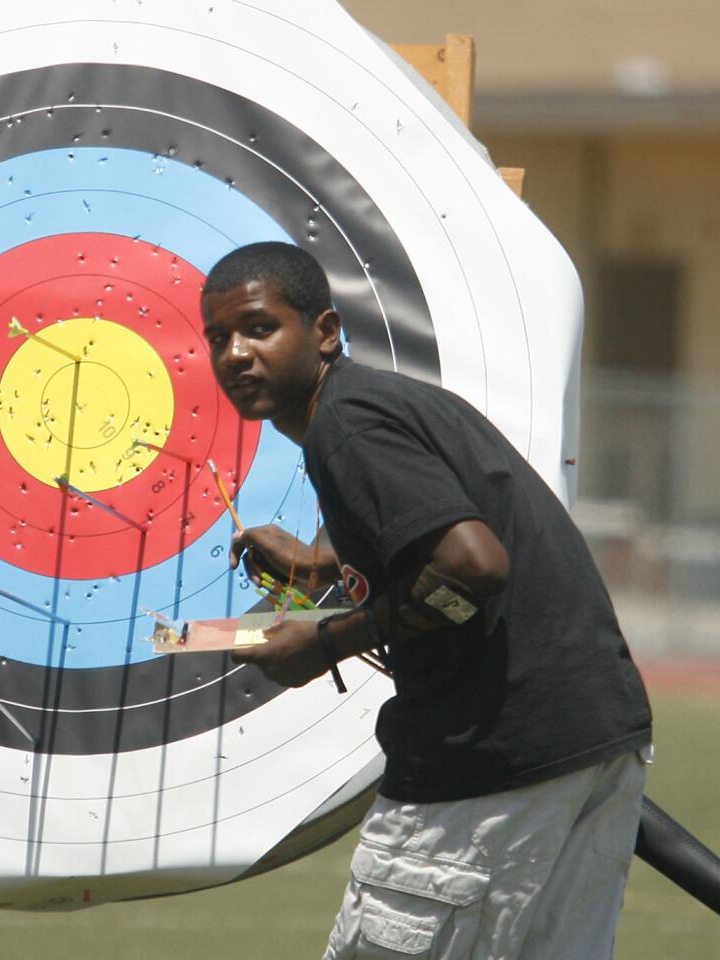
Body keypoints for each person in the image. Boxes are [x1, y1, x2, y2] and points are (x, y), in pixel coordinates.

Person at [201, 242, 653, 959]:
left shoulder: (344, 427)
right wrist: (323, 562)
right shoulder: (379, 401)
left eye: (258, 328)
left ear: (323, 331)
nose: (234, 354)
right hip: (592, 740)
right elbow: (441, 542)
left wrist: (323, 643)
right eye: (217, 338)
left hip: (491, 763)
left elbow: (473, 568)